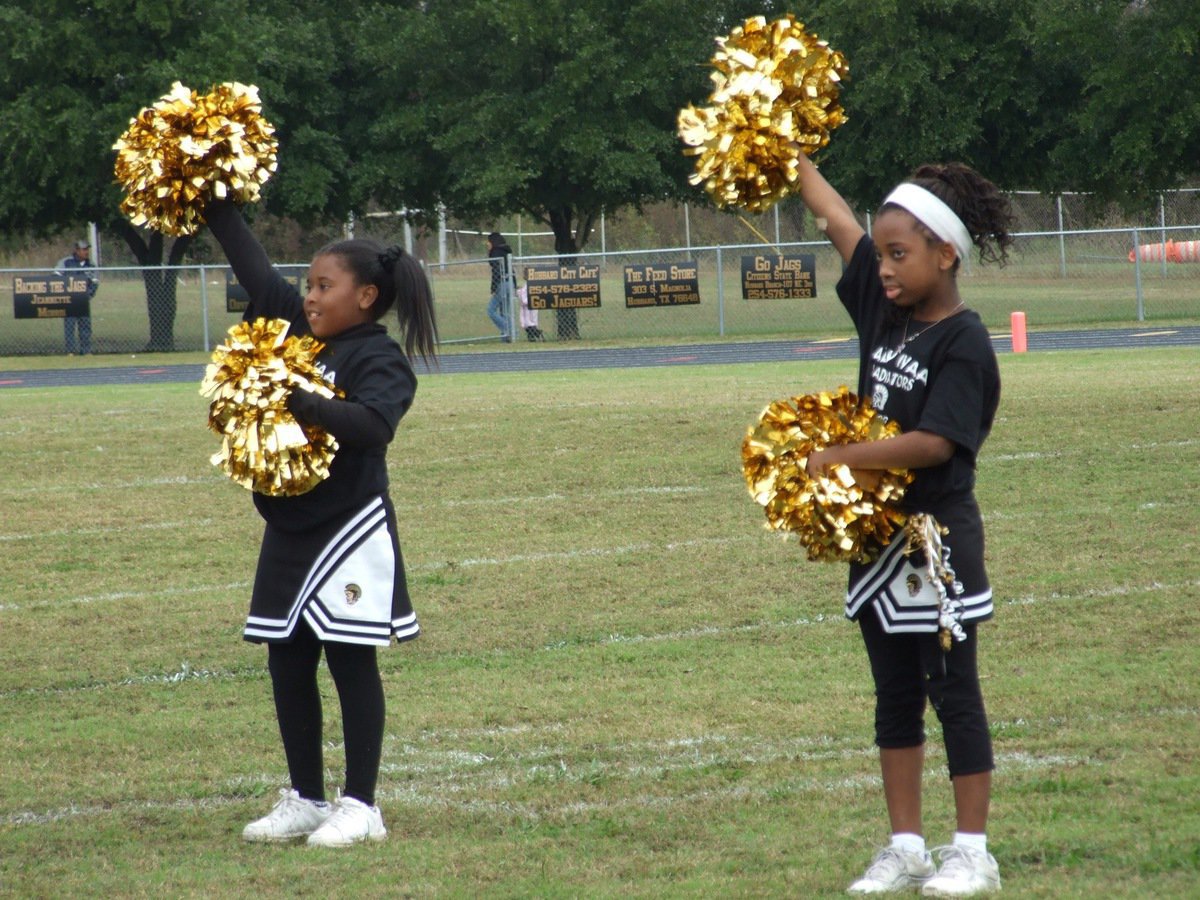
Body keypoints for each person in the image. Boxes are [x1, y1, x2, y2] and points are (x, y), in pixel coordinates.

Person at [794, 153, 1011, 897]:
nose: (883, 267)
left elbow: (935, 444)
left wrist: (839, 457)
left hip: (937, 543)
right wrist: (788, 152)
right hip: (878, 542)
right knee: (893, 696)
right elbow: (838, 220)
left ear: (945, 254)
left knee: (954, 692)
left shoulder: (965, 341)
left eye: (900, 254)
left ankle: (972, 850)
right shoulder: (884, 309)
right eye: (881, 255)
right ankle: (906, 845)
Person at [205, 199, 438, 847]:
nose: (309, 296)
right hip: (291, 526)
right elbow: (259, 279)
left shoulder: (378, 358)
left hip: (349, 530)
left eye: (323, 286)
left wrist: (300, 400)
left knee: (349, 660)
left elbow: (372, 426)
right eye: (308, 285)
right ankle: (306, 796)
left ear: (364, 296)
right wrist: (219, 208)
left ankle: (361, 805)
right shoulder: (303, 333)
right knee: (287, 657)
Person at [58, 239, 97, 354]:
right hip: (69, 302)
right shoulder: (66, 262)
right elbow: (55, 277)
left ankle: (86, 351)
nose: (86, 252)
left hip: (83, 302)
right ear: (77, 250)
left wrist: (88, 295)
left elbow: (94, 283)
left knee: (85, 326)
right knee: (69, 327)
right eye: (83, 249)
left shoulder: (91, 265)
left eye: (87, 249)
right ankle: (70, 351)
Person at [486, 231, 513, 341]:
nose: (487, 244)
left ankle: (509, 330)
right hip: (509, 282)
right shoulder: (506, 251)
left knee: (491, 310)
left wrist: (494, 287)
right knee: (505, 312)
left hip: (502, 283)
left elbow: (497, 270)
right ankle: (506, 339)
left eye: (488, 242)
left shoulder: (496, 252)